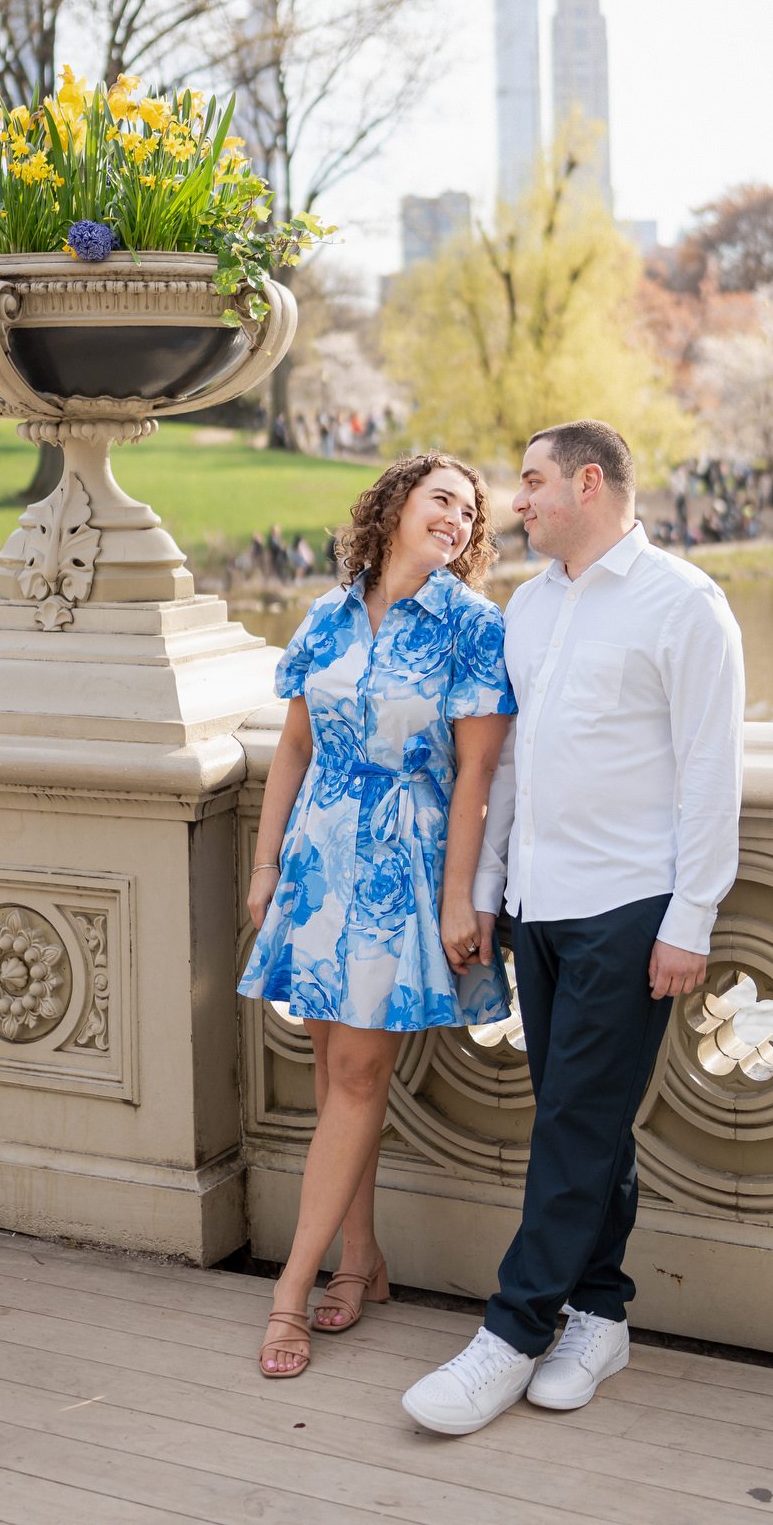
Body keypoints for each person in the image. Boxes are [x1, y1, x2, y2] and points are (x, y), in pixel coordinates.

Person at [403, 419, 744, 1435]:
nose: (519, 502)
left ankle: (510, 1334)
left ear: (590, 483)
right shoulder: (529, 605)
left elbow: (709, 768)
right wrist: (493, 885)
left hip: (630, 906)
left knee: (573, 1125)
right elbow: (511, 765)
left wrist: (692, 917)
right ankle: (600, 1314)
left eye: (533, 482)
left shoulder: (684, 604)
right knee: (582, 1120)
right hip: (537, 907)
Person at [238, 453, 517, 1379]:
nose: (458, 519)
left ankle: (290, 1293)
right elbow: (291, 747)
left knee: (355, 1077)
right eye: (442, 498)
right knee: (331, 1073)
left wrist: (456, 899)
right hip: (320, 862)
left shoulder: (472, 627)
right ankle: (363, 1262)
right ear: (395, 505)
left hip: (404, 865)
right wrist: (267, 865)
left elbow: (477, 774)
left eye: (470, 512)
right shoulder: (326, 612)